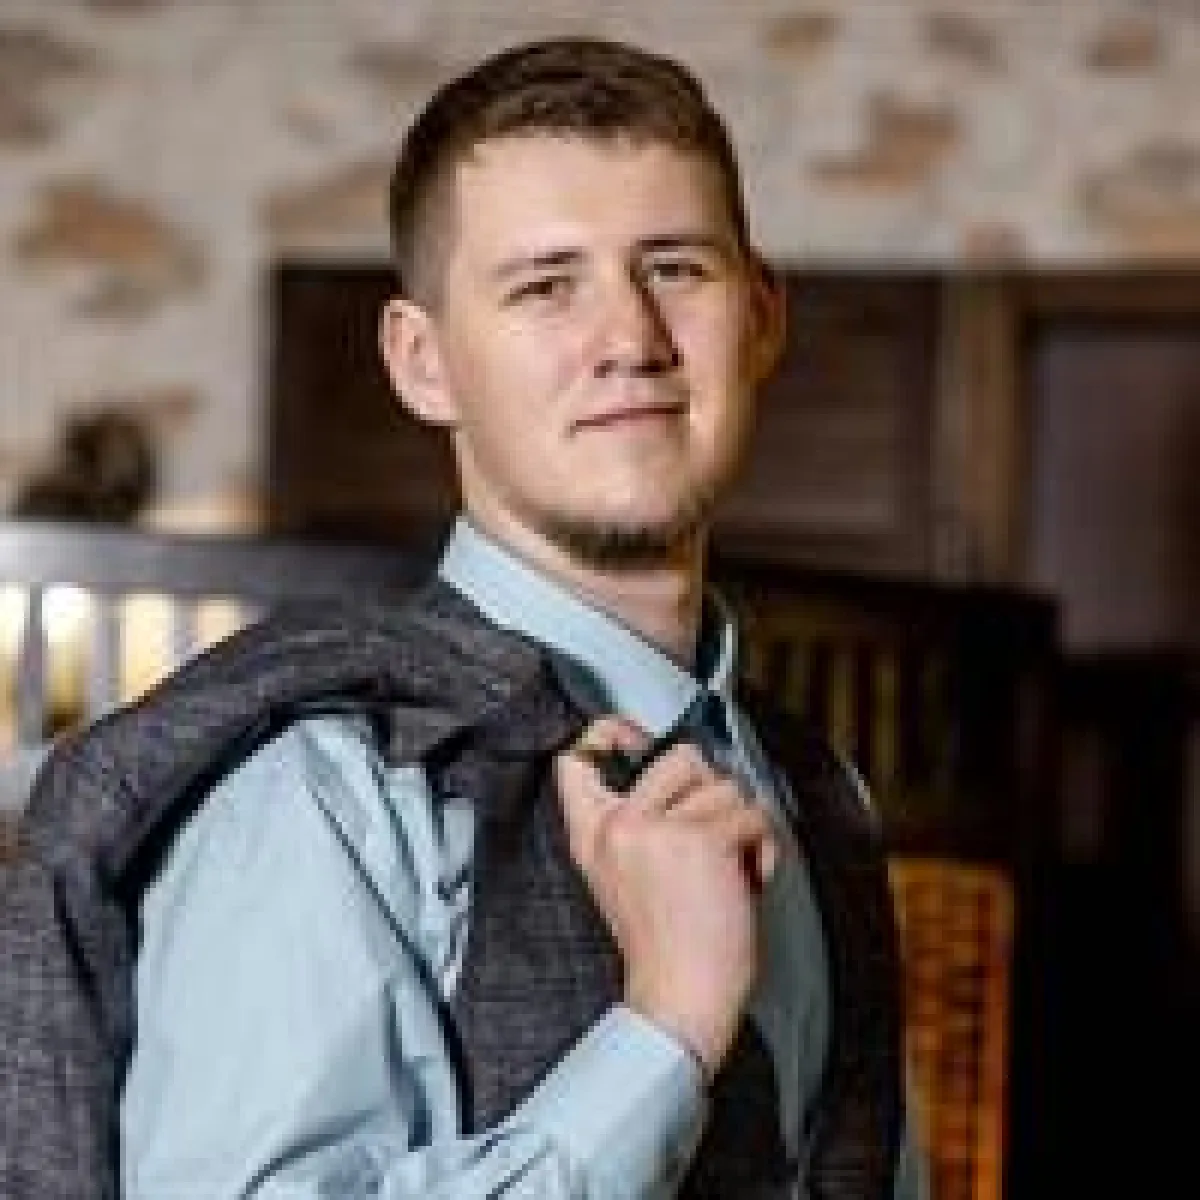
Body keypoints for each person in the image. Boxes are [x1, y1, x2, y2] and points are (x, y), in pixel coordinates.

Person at [108, 36, 926, 1197]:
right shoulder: (319, 789)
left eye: (676, 268)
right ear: (423, 362)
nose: (631, 341)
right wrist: (666, 1026)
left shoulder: (821, 797)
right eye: (547, 285)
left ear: (762, 316)